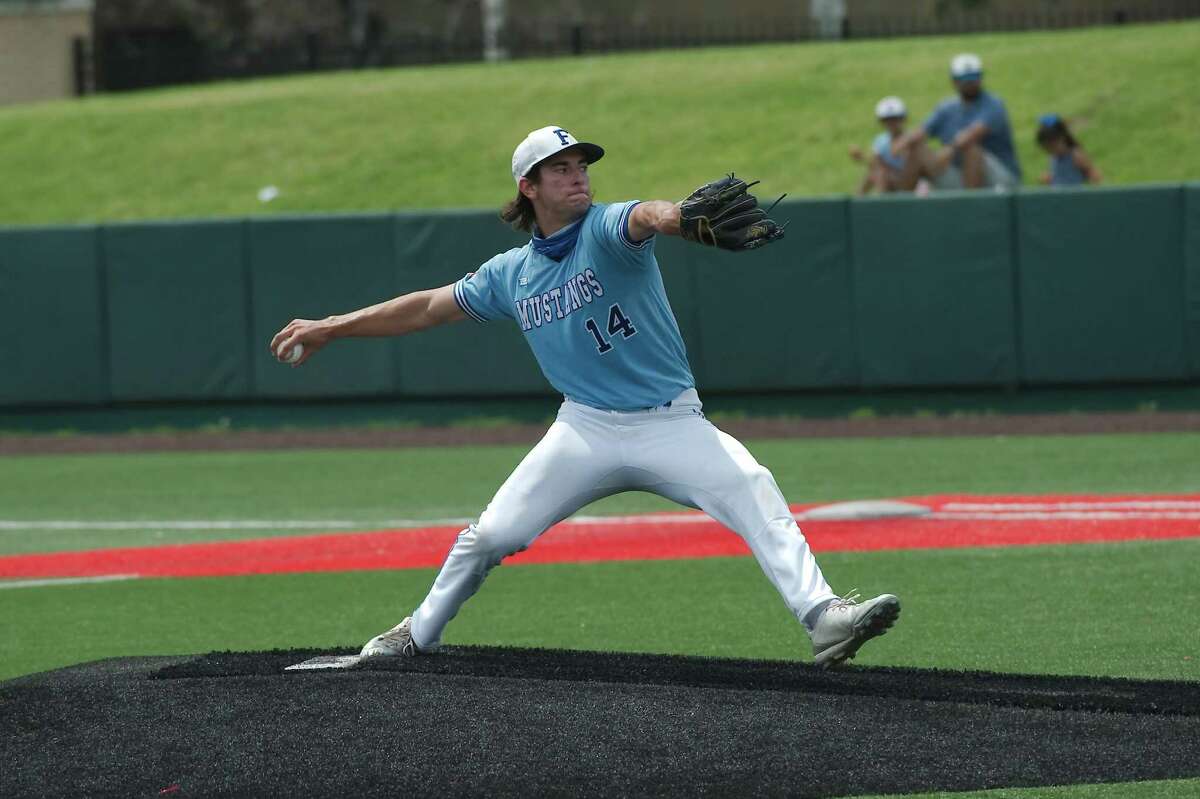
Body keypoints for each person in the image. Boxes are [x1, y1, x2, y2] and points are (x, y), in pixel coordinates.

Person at [269, 125, 900, 668]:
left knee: (751, 483)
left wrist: (678, 216)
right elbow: (428, 307)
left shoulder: (606, 229)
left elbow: (645, 215)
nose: (578, 178)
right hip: (586, 430)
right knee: (489, 536)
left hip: (671, 423)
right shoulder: (510, 273)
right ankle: (413, 636)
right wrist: (333, 326)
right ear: (529, 187)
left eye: (581, 167)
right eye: (560, 170)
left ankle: (823, 616)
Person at [890, 53, 1022, 191]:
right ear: (954, 81)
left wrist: (949, 150)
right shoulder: (947, 108)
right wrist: (903, 143)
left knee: (971, 149)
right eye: (964, 79)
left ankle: (971, 206)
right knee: (917, 152)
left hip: (1001, 178)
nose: (970, 83)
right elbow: (921, 131)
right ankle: (901, 206)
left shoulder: (994, 104)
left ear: (980, 78)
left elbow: (972, 135)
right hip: (962, 176)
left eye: (974, 78)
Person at [849, 96, 922, 195]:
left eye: (895, 119)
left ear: (903, 119)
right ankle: (858, 199)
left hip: (910, 181)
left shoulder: (910, 138)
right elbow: (875, 163)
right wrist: (862, 158)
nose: (892, 123)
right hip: (889, 180)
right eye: (887, 120)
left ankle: (881, 202)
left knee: (880, 172)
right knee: (873, 173)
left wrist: (863, 158)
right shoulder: (881, 140)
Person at [1036, 113, 1102, 186]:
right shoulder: (1053, 158)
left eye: (1053, 147)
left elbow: (1094, 174)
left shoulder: (1076, 156)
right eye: (1047, 149)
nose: (1051, 151)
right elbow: (1059, 176)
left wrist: (1092, 178)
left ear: (1062, 138)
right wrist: (1049, 178)